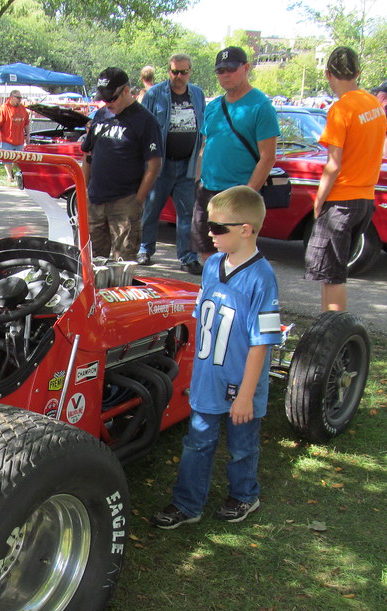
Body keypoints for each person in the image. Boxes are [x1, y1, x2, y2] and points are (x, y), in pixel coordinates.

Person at [152, 186, 282, 529]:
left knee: (242, 446)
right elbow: (202, 323)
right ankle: (187, 503)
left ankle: (244, 495)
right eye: (209, 225)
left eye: (219, 228)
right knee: (197, 441)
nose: (210, 233)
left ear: (245, 230)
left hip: (242, 383)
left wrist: (245, 395)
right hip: (208, 378)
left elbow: (261, 343)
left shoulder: (262, 278)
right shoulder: (211, 266)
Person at [305, 47, 386, 313]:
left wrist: (318, 201)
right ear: (358, 73)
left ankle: (331, 329)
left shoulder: (341, 110)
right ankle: (333, 326)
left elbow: (333, 164)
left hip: (341, 201)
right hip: (365, 199)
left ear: (328, 74)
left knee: (330, 273)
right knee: (336, 270)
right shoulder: (374, 103)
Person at [192, 46, 280, 264]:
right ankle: (213, 296)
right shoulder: (213, 107)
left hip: (237, 193)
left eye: (231, 68)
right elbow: (205, 145)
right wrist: (197, 181)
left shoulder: (261, 106)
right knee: (207, 254)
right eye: (220, 71)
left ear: (246, 68)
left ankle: (233, 298)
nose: (225, 75)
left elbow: (268, 157)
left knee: (235, 257)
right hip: (208, 191)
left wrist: (247, 195)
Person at [80, 67, 162, 263]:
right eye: (103, 99)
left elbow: (154, 165)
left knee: (123, 264)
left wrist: (138, 200)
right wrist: (83, 191)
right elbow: (88, 155)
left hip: (125, 201)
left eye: (112, 99)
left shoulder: (145, 120)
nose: (107, 104)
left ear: (126, 91)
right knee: (89, 262)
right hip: (95, 199)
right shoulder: (100, 115)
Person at [139, 53, 205, 273]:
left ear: (190, 72)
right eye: (175, 71)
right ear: (168, 71)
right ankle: (145, 249)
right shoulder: (155, 94)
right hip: (160, 164)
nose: (179, 76)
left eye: (184, 71)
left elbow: (202, 128)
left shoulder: (197, 94)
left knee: (187, 213)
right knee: (151, 210)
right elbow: (144, 129)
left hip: (186, 164)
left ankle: (188, 257)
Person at [0, 89, 30, 181]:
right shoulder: (4, 108)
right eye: (18, 98)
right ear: (11, 97)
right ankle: (9, 175)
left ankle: (11, 170)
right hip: (6, 140)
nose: (20, 100)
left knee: (17, 159)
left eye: (21, 98)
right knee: (7, 158)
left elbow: (27, 123)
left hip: (19, 139)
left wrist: (28, 135)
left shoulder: (22, 109)